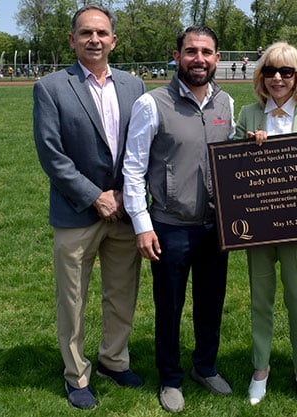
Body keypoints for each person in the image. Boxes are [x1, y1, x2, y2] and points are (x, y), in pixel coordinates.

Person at [32, 4, 147, 410]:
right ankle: (76, 374)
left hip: (123, 212)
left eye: (101, 33)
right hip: (76, 211)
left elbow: (141, 147)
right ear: (72, 40)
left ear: (113, 40)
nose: (94, 40)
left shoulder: (135, 86)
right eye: (86, 33)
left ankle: (114, 360)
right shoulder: (51, 87)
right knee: (73, 299)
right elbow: (51, 154)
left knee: (121, 293)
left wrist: (122, 195)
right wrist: (93, 195)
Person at [122, 25, 235, 414]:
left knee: (211, 302)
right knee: (168, 306)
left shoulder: (226, 104)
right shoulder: (153, 103)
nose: (198, 59)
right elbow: (133, 168)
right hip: (169, 226)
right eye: (191, 52)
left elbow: (231, 162)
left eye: (206, 52)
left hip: (214, 225)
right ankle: (170, 378)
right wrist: (142, 224)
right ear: (177, 56)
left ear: (217, 58)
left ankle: (205, 366)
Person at [235, 41, 297, 409]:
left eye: (286, 72)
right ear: (261, 76)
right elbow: (230, 172)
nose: (277, 78)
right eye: (270, 71)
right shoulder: (248, 114)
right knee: (261, 301)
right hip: (258, 230)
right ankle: (261, 369)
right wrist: (246, 146)